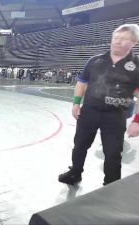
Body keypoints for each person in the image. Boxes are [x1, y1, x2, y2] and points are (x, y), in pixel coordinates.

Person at [58, 24, 139, 186]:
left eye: (123, 39)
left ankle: (110, 185)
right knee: (79, 145)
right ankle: (75, 172)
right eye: (115, 38)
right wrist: (76, 103)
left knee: (113, 153)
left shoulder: (137, 66)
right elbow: (82, 82)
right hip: (89, 112)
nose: (117, 42)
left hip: (115, 116)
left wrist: (137, 121)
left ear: (134, 43)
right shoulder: (95, 60)